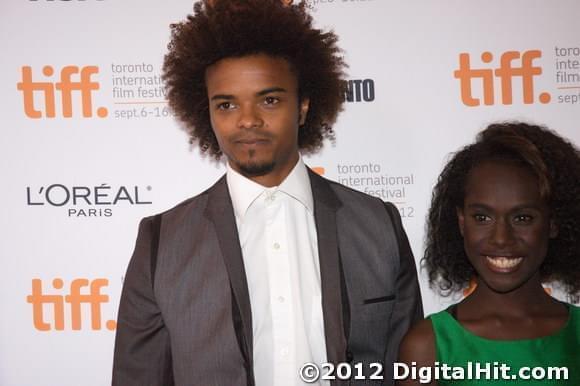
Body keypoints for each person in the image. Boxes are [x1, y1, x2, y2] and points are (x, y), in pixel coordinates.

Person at [112, 1, 423, 385]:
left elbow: (410, 369)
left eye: (269, 99)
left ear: (304, 107)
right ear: (206, 114)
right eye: (226, 104)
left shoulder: (378, 224)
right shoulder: (162, 242)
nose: (248, 120)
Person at [397, 122, 580, 385]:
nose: (501, 238)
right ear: (461, 222)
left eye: (523, 217)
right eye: (482, 217)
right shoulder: (428, 347)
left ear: (553, 223)